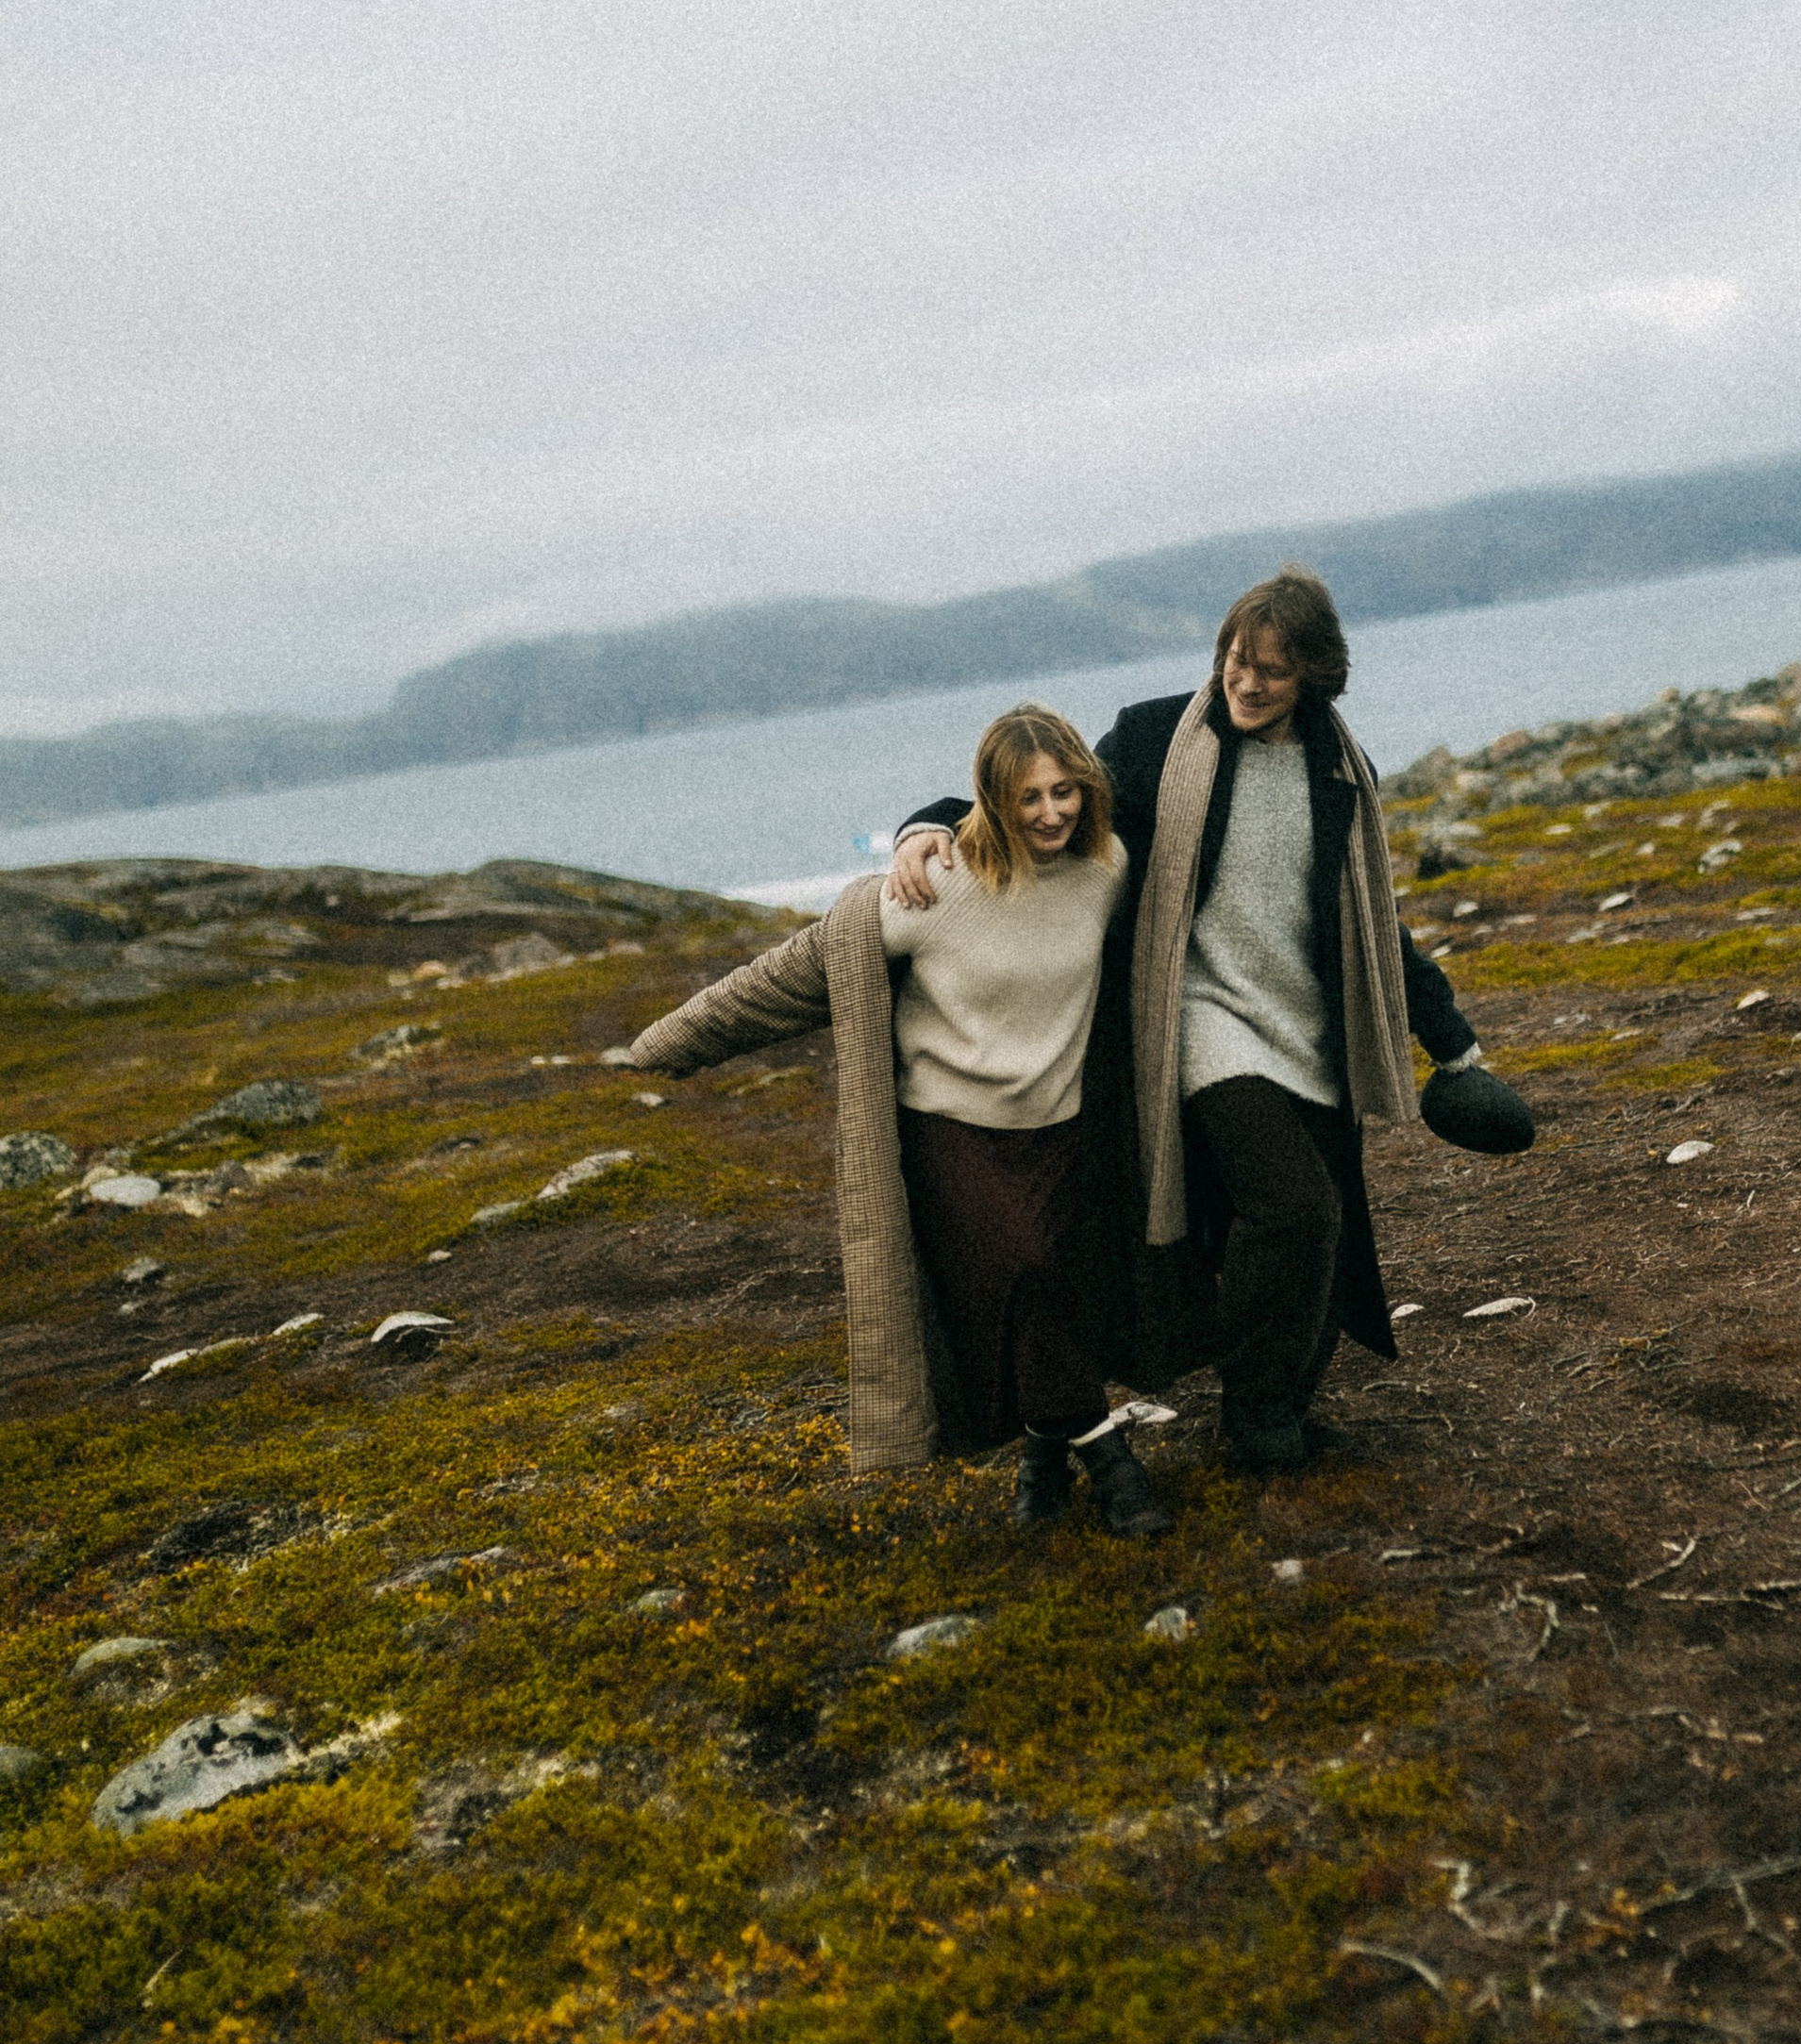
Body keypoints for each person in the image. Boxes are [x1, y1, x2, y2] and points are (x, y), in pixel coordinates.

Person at [888, 566, 1528, 1473]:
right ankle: (1205, 1365)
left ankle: (1266, 1412)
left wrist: (1453, 1045)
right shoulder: (1157, 740)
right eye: (1237, 659)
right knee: (1296, 1208)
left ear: (1315, 675)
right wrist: (928, 824)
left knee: (1323, 1232)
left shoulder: (1340, 770)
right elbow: (1047, 802)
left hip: (1308, 1027)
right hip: (1198, 1020)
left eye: (1273, 668)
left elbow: (1374, 921)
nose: (1248, 683)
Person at [629, 705, 1167, 1534]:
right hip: (950, 1131)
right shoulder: (936, 887)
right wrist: (674, 1040)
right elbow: (801, 971)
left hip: (1058, 1133)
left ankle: (1040, 1454)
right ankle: (1111, 1459)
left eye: (1065, 791)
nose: (1052, 812)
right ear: (990, 800)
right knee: (1025, 1273)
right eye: (1029, 797)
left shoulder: (1108, 871)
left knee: (1043, 1298)